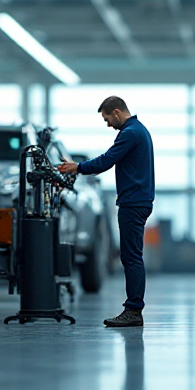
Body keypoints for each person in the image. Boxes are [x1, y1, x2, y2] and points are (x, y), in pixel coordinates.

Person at [58, 96, 154, 327]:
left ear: (118, 112)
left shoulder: (130, 133)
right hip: (138, 200)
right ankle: (133, 308)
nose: (108, 124)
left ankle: (133, 310)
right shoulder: (139, 131)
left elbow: (106, 161)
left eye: (107, 119)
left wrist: (77, 167)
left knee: (131, 258)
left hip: (133, 203)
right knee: (131, 256)